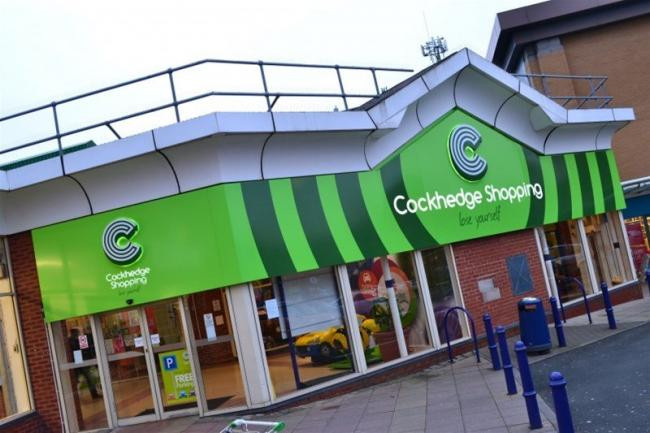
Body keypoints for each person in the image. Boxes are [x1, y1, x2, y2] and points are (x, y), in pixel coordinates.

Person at [69, 328, 101, 399]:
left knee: (81, 379)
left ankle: (79, 395)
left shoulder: (71, 341)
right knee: (89, 378)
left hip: (77, 360)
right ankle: (94, 394)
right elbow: (85, 350)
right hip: (82, 360)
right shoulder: (80, 339)